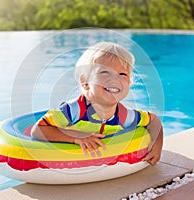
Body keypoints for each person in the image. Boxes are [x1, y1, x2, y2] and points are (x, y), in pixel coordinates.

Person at [31, 42, 163, 165]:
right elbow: (38, 130)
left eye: (122, 74)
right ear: (85, 82)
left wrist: (157, 146)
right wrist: (77, 137)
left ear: (129, 83)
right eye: (105, 72)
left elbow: (153, 121)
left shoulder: (125, 116)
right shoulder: (73, 111)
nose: (115, 79)